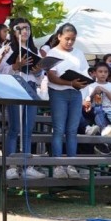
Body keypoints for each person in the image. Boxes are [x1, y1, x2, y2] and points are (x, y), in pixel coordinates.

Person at [3, 18, 48, 179]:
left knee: (28, 130)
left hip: (30, 88)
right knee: (15, 128)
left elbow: (39, 76)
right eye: (20, 28)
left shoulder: (34, 51)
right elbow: (2, 71)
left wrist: (37, 70)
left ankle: (27, 164)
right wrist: (16, 66)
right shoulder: (8, 49)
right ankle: (11, 166)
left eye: (27, 28)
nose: (24, 31)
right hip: (15, 87)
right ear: (14, 31)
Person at [46, 23, 91, 179]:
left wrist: (85, 93)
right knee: (59, 129)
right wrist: (69, 83)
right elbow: (51, 76)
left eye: (73, 39)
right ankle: (58, 165)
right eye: (67, 39)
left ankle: (71, 164)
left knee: (72, 130)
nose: (70, 42)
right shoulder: (52, 52)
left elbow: (85, 73)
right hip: (58, 93)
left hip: (75, 93)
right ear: (59, 36)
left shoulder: (78, 53)